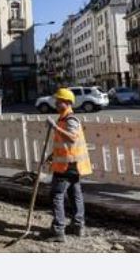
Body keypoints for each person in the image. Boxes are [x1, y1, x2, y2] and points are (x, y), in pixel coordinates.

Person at [45, 88, 93, 243]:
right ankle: (78, 226)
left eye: (59, 101)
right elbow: (65, 144)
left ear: (67, 102)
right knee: (74, 195)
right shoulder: (63, 118)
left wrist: (54, 127)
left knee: (56, 196)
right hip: (71, 164)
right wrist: (53, 155)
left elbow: (72, 138)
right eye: (56, 101)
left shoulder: (70, 120)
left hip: (67, 166)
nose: (56, 104)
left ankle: (58, 230)